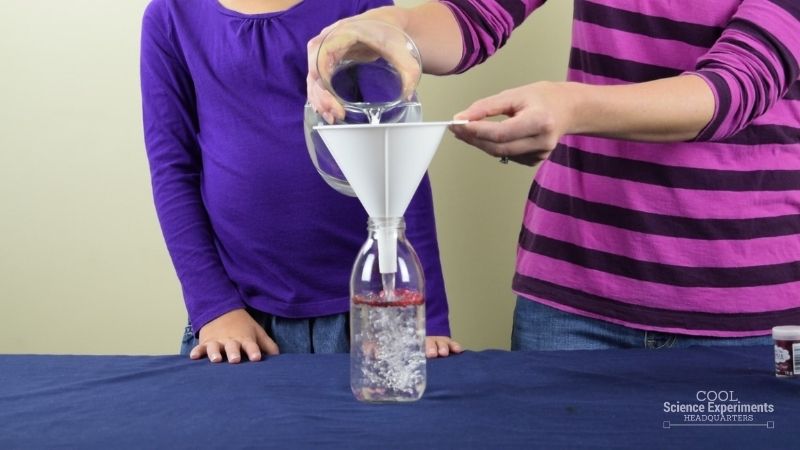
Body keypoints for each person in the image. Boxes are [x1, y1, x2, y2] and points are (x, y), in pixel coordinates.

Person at [308, 0, 800, 350]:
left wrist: (570, 107)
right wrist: (393, 28)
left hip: (746, 312)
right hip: (571, 300)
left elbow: (738, 85)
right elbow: (477, 14)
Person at [140, 0, 462, 363]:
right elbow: (172, 170)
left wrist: (426, 315)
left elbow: (400, 160)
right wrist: (214, 307)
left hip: (367, 307)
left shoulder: (362, 7)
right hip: (239, 318)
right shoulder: (170, 16)